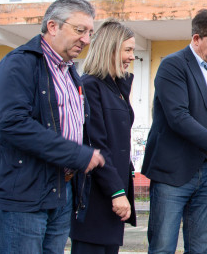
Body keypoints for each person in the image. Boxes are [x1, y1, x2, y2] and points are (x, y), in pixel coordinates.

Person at [0, 0, 106, 254]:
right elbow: (13, 124)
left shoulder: (70, 72)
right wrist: (76, 154)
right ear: (52, 26)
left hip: (61, 191)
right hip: (23, 196)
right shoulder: (19, 63)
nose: (86, 40)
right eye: (79, 30)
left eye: (89, 33)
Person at [141, 9, 207, 254]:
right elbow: (178, 118)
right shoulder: (172, 65)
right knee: (162, 247)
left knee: (200, 248)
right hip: (172, 171)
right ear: (196, 39)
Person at [70, 19, 137, 253]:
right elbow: (96, 143)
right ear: (110, 49)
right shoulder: (90, 86)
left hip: (113, 190)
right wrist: (117, 191)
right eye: (127, 50)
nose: (131, 56)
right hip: (97, 193)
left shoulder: (116, 89)